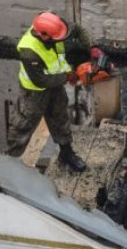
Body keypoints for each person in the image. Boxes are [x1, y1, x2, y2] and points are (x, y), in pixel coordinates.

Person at [6, 12, 106, 172]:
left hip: (56, 86)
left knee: (60, 118)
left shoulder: (55, 26)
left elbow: (78, 29)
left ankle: (66, 154)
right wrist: (69, 76)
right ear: (44, 37)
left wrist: (92, 47)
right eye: (58, 38)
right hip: (34, 93)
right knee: (22, 125)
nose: (62, 38)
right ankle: (8, 164)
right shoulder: (29, 51)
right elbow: (41, 81)